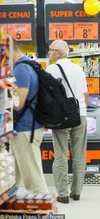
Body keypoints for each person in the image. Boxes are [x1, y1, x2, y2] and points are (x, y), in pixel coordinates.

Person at [46, 40, 89, 204]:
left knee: (61, 155)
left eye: (51, 50)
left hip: (60, 117)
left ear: (59, 53)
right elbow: (85, 95)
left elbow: (47, 97)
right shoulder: (78, 69)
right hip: (80, 115)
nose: (49, 53)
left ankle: (63, 194)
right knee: (79, 155)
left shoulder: (50, 70)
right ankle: (77, 192)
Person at [11, 39, 49, 194]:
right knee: (11, 176)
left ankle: (45, 213)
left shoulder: (20, 69)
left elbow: (18, 103)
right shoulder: (30, 64)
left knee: (33, 179)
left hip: (26, 129)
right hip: (30, 126)